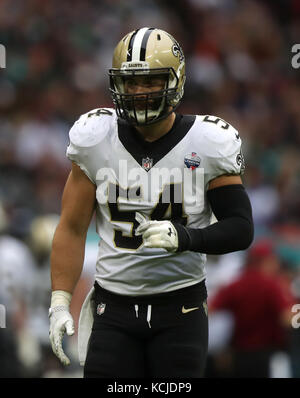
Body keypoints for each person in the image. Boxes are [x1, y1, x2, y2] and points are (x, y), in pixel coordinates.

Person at [49, 27, 254, 378]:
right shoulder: (96, 138)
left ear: (175, 82)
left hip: (181, 309)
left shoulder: (206, 142)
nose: (139, 92)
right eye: (131, 83)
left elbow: (240, 228)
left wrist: (185, 237)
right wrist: (59, 302)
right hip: (112, 310)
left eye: (150, 82)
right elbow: (71, 227)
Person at [209, 239, 294, 378]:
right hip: (268, 356)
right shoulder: (272, 285)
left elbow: (209, 310)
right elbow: (287, 318)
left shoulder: (236, 284)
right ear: (267, 260)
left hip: (239, 357)